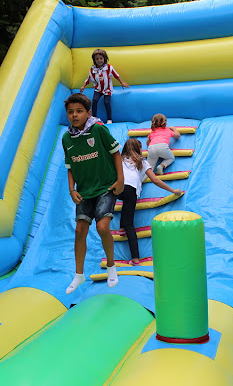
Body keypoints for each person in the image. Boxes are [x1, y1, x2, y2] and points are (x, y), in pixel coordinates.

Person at [62, 93, 124, 294]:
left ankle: (112, 266)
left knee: (103, 226)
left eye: (79, 111)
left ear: (88, 113)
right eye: (70, 112)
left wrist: (120, 179)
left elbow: (115, 152)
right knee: (80, 231)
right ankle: (79, 275)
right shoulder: (66, 138)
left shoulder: (98, 129)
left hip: (106, 186)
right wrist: (72, 189)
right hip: (84, 191)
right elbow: (70, 166)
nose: (74, 115)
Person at [120, 138, 182, 265]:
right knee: (130, 224)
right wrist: (172, 190)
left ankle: (120, 226)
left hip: (118, 188)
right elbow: (156, 180)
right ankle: (136, 259)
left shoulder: (119, 159)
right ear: (139, 150)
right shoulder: (143, 162)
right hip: (131, 190)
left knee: (110, 197)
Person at [79, 49, 129, 124]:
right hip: (98, 89)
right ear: (94, 60)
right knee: (94, 101)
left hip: (107, 89)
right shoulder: (92, 70)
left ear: (104, 59)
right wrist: (83, 86)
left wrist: (122, 83)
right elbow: (89, 79)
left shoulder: (109, 68)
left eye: (101, 58)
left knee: (106, 102)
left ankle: (109, 119)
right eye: (97, 59)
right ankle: (94, 118)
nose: (99, 60)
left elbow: (116, 75)